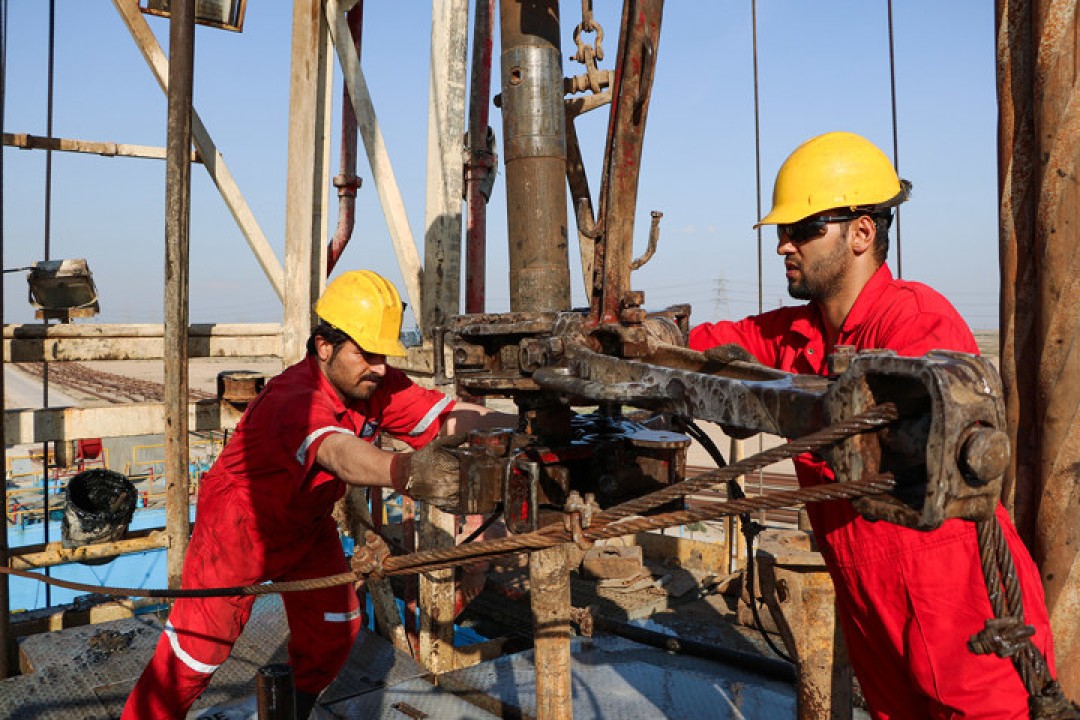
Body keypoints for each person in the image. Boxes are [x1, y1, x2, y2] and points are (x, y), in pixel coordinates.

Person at [689, 132, 1057, 719]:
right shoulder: (800, 336)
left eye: (804, 227)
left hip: (958, 608)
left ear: (861, 232)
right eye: (783, 230)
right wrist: (643, 335)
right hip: (870, 605)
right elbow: (705, 348)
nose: (784, 244)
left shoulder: (917, 321)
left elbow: (917, 417)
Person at [122, 270, 512, 719]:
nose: (379, 366)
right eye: (366, 353)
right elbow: (339, 453)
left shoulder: (372, 383)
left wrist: (527, 429)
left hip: (306, 525)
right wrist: (404, 470)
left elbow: (449, 416)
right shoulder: (296, 398)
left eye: (383, 354)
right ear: (325, 346)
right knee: (195, 656)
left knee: (335, 630)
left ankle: (292, 711)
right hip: (238, 527)